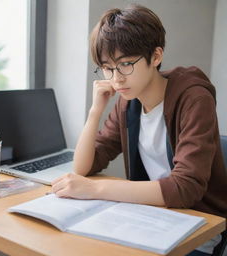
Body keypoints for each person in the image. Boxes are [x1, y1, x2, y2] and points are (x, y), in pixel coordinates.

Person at [51, 4, 227, 256]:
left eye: (125, 64)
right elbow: (83, 167)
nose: (116, 78)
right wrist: (94, 112)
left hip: (197, 230)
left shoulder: (194, 99)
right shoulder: (127, 103)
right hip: (150, 220)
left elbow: (185, 188)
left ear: (155, 56)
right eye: (107, 67)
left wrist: (94, 189)